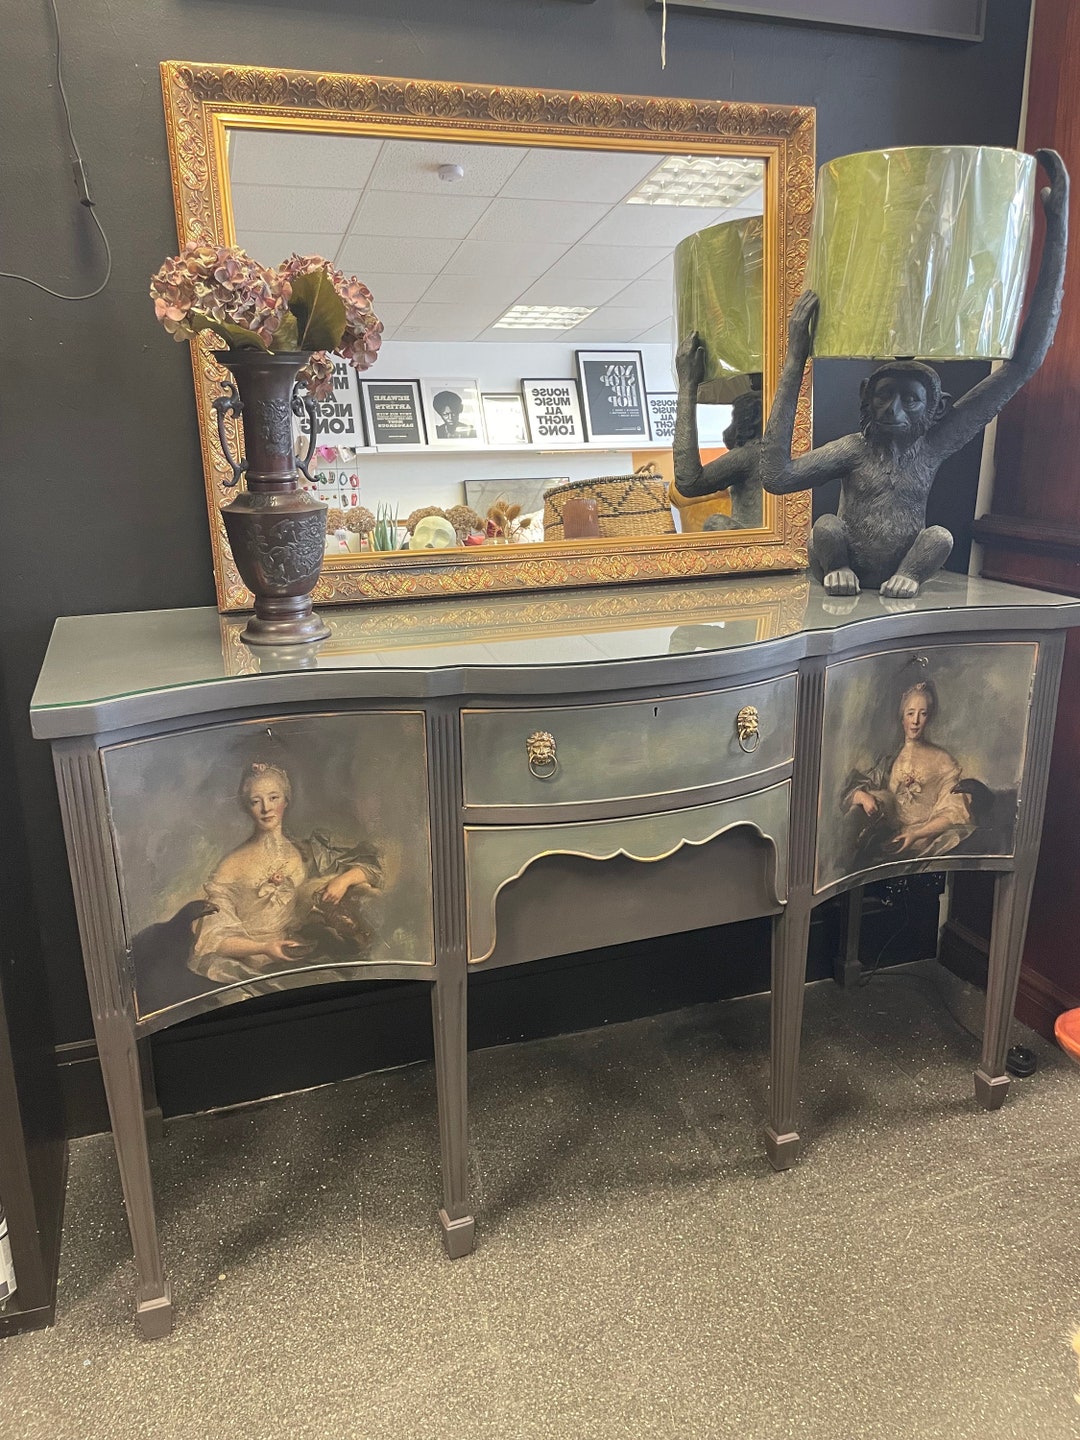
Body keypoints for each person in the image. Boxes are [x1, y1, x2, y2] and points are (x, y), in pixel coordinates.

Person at [191, 761, 381, 985]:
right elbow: (214, 939)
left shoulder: (304, 853)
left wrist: (343, 880)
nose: (266, 808)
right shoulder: (231, 865)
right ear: (246, 806)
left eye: (273, 798)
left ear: (286, 800)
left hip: (295, 955)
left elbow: (372, 869)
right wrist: (265, 947)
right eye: (255, 801)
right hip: (250, 967)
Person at [841, 680, 973, 867]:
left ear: (929, 718)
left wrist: (915, 834)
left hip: (922, 842)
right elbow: (853, 791)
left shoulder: (943, 760)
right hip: (886, 838)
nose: (915, 721)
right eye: (910, 713)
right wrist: (862, 796)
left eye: (923, 714)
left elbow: (954, 813)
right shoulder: (890, 759)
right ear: (902, 717)